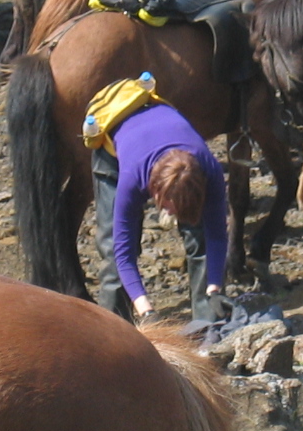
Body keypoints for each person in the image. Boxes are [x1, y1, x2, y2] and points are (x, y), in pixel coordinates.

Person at [91, 99, 231, 321]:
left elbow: (217, 236)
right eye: (168, 208)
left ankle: (207, 322)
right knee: (112, 246)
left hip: (163, 125)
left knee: (200, 235)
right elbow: (123, 254)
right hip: (113, 141)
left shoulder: (210, 170)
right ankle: (115, 327)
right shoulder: (132, 179)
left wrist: (214, 289)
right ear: (155, 192)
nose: (171, 215)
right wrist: (146, 311)